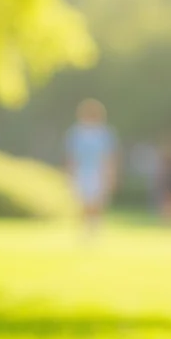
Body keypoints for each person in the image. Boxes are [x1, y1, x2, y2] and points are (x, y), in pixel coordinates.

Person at [64, 99, 118, 238]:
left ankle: (94, 229)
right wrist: (70, 173)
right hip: (81, 172)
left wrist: (111, 174)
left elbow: (109, 156)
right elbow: (71, 156)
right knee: (83, 202)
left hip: (99, 172)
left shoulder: (104, 133)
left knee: (97, 202)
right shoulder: (76, 133)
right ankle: (85, 229)